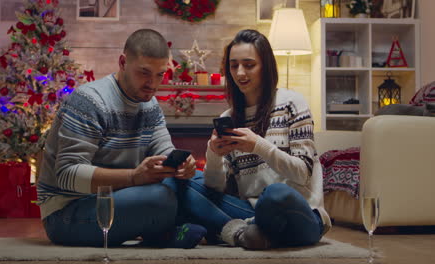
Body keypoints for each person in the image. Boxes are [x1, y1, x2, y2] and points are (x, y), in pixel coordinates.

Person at [37, 29, 206, 249]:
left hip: (121, 198)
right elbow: (67, 175)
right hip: (66, 213)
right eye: (144, 72)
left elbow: (164, 150)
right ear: (123, 62)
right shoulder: (89, 101)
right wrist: (134, 177)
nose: (152, 84)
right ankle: (167, 232)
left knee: (197, 180)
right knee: (159, 198)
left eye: (160, 74)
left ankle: (233, 229)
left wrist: (182, 166)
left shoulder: (150, 105)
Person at [165, 29, 331, 249]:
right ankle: (244, 233)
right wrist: (214, 154)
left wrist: (258, 146)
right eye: (234, 66)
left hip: (300, 214)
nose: (240, 73)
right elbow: (215, 188)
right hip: (251, 211)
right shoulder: (229, 117)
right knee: (179, 182)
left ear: (266, 66)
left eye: (249, 65)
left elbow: (302, 173)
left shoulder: (292, 103)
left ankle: (228, 230)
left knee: (275, 194)